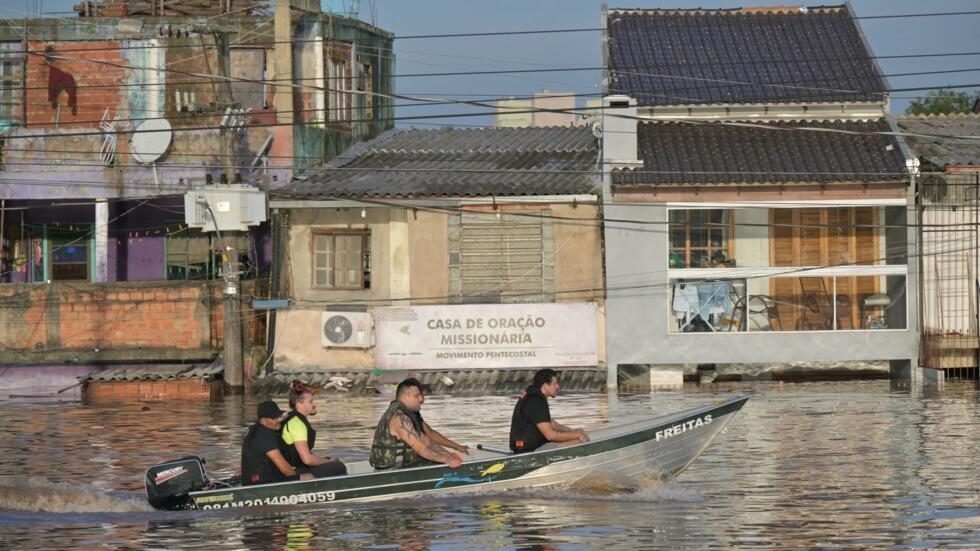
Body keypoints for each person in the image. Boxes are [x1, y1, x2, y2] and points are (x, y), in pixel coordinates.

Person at [369, 378, 464, 470]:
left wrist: (449, 455)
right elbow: (420, 448)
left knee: (439, 459)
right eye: (417, 395)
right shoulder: (399, 417)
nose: (421, 399)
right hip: (392, 470)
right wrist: (446, 460)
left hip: (402, 466)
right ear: (405, 396)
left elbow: (427, 441)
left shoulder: (408, 414)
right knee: (437, 462)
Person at [509, 368, 589, 453]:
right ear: (545, 385)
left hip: (523, 446)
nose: (558, 386)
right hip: (531, 450)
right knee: (581, 441)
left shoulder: (533, 395)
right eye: (555, 383)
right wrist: (578, 435)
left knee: (577, 435)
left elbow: (550, 423)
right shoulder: (536, 401)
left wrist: (572, 431)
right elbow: (550, 435)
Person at [280, 381, 348, 478]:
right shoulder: (297, 424)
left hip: (296, 466)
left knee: (330, 463)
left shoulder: (293, 419)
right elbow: (307, 460)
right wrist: (329, 461)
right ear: (299, 403)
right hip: (293, 471)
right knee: (339, 467)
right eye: (311, 401)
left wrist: (323, 459)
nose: (315, 404)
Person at [241, 400, 313, 486]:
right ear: (264, 420)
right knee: (308, 477)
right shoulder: (265, 436)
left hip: (254, 478)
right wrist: (296, 481)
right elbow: (285, 469)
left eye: (278, 416)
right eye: (275, 418)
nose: (279, 420)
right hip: (263, 483)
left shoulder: (254, 430)